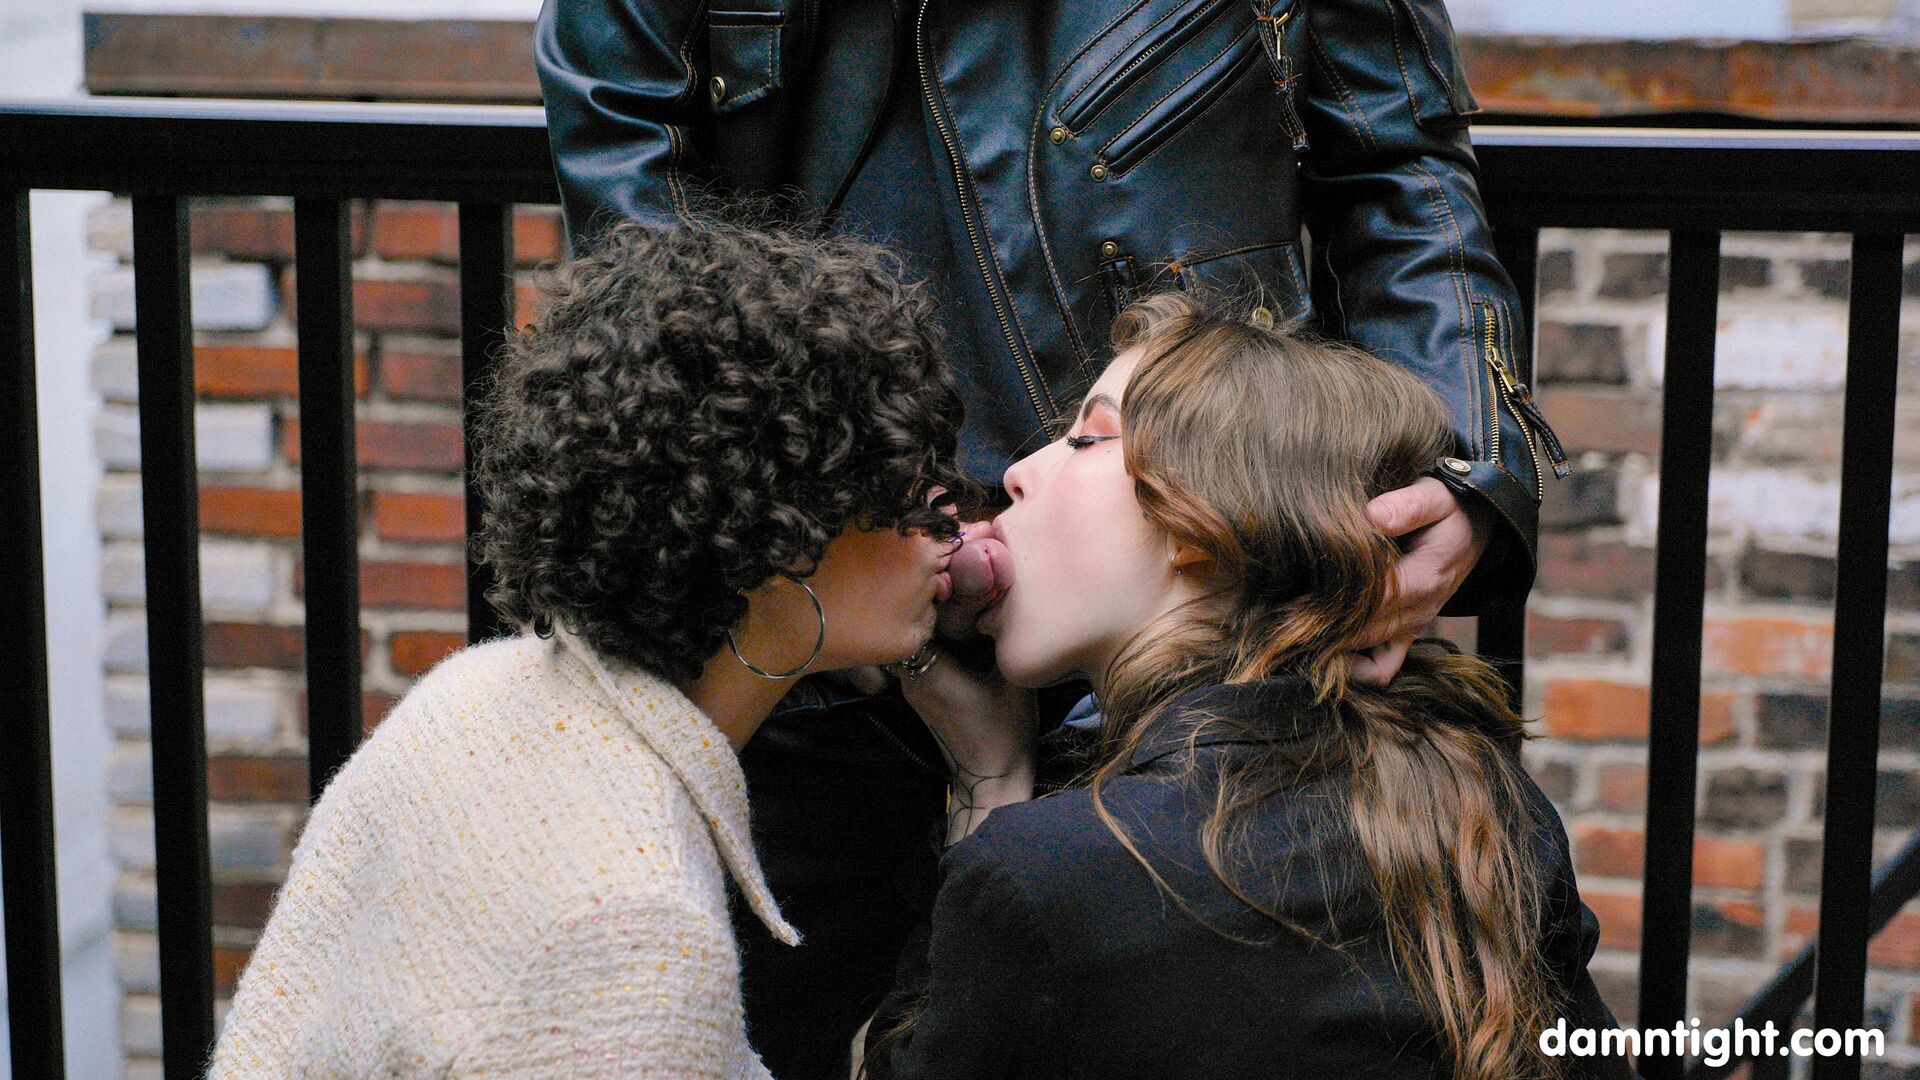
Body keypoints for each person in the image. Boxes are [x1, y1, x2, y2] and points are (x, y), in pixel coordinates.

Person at [535, 2, 1567, 1073]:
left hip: (1203, 632)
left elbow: (1396, 154)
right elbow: (647, 226)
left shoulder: (1495, 830)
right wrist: (806, 527)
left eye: (1085, 437)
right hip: (824, 645)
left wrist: (1465, 464)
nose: (1026, 468)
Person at [206, 218, 973, 1078]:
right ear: (772, 539)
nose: (947, 508)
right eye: (897, 480)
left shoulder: (471, 695)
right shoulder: (637, 931)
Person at [866, 291, 1626, 1080]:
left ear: (1203, 517)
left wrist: (990, 787)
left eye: (1089, 438)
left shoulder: (1041, 874)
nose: (1017, 473)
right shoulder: (1484, 805)